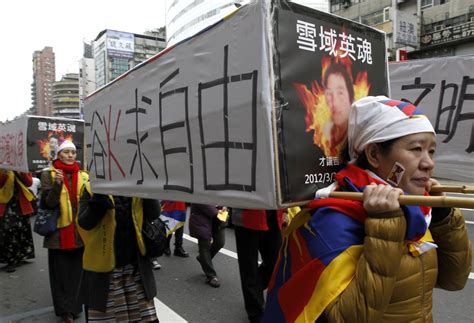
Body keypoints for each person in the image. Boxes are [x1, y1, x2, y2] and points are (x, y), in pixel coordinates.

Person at [263, 96, 472, 322]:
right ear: (373, 155)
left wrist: (444, 217)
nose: (428, 163)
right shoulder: (332, 221)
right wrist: (385, 227)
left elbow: (454, 280)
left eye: (431, 151)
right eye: (416, 149)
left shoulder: (418, 209)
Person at [78, 184, 160, 322]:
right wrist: (98, 202)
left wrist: (146, 189)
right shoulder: (91, 187)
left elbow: (154, 213)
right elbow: (84, 223)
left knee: (143, 318)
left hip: (135, 268)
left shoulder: (137, 183)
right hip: (105, 272)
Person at [40, 140, 88, 322]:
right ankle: (64, 311)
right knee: (60, 274)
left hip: (79, 232)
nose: (70, 155)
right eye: (66, 152)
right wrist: (57, 185)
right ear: (59, 155)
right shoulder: (49, 175)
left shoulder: (84, 175)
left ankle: (75, 307)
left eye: (73, 152)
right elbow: (48, 203)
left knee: (77, 272)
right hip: (58, 233)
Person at [231, 208, 284, 322]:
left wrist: (285, 210)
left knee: (276, 263)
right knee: (249, 268)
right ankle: (255, 315)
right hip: (246, 216)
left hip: (273, 214)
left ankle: (253, 293)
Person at [0, 170, 35, 273]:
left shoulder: (22, 166)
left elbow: (29, 183)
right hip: (5, 203)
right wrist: (5, 173)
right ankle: (10, 260)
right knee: (7, 231)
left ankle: (21, 256)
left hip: (20, 203)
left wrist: (21, 172)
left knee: (23, 230)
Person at [189, 204, 227, 288]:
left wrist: (225, 207)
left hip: (219, 217)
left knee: (220, 242)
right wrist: (216, 212)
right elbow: (200, 198)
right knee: (204, 246)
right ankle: (211, 276)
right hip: (201, 217)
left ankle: (203, 259)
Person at [322, 61, 355, 157]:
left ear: (350, 96)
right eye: (329, 94)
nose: (334, 103)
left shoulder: (359, 137)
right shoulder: (323, 135)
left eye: (340, 93)